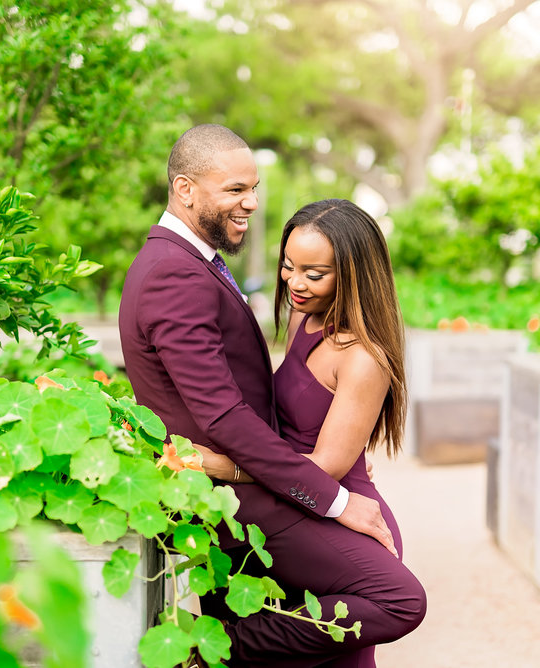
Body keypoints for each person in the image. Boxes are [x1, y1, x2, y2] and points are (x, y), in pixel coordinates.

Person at [119, 124, 425, 667]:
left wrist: (332, 458)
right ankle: (211, 647)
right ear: (186, 189)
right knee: (395, 601)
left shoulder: (192, 265)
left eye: (253, 188)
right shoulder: (175, 273)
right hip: (256, 499)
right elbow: (222, 412)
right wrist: (330, 496)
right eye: (235, 189)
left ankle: (216, 646)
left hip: (269, 484)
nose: (251, 202)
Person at [199, 198, 414, 667]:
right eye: (288, 266)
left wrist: (222, 466)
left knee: (352, 653)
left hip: (335, 509)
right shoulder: (305, 317)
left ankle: (223, 646)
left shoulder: (362, 357)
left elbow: (326, 468)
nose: (295, 283)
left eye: (314, 274)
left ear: (354, 275)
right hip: (296, 502)